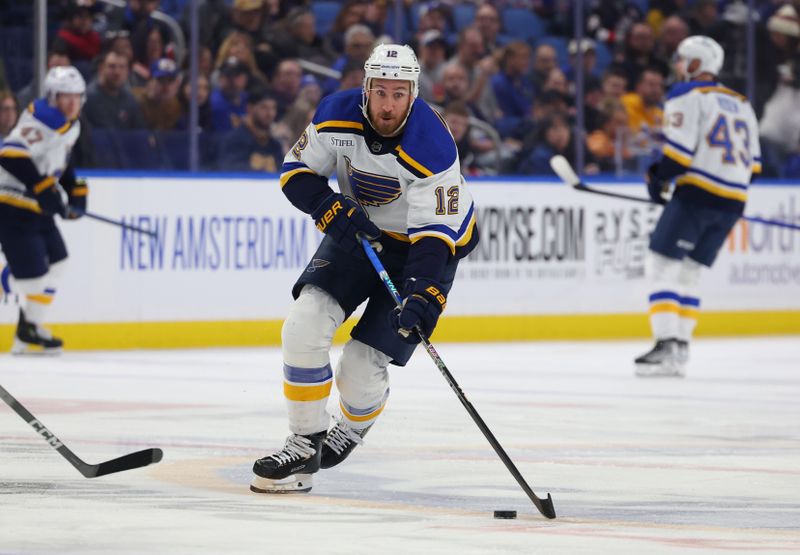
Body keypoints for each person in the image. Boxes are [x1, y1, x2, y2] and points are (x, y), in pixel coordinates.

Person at [250, 43, 479, 493]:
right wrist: (327, 206)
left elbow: (434, 237)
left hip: (424, 248)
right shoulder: (335, 115)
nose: (388, 104)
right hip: (360, 232)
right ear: (365, 89)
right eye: (381, 92)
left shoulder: (432, 144)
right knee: (303, 325)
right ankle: (304, 442)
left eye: (399, 94)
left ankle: (353, 426)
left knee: (359, 366)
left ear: (412, 94)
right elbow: (295, 171)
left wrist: (423, 293)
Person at [634, 36, 761, 377]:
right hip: (735, 200)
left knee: (660, 264)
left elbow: (677, 155)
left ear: (695, 64)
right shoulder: (743, 103)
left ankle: (665, 346)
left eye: (682, 59)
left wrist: (657, 178)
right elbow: (755, 167)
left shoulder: (686, 96)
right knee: (690, 271)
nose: (678, 66)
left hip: (697, 195)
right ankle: (681, 349)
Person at [0, 66, 89, 354]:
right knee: (32, 281)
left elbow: (59, 155)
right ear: (53, 97)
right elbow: (10, 155)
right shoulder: (41, 119)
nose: (72, 103)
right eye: (65, 97)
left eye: (76, 97)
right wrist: (40, 186)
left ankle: (29, 330)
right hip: (12, 206)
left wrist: (74, 187)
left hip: (36, 209)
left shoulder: (68, 121)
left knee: (58, 262)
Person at [218, 87, 282, 171]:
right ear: (250, 108)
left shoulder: (275, 145)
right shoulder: (233, 141)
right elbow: (227, 171)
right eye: (264, 107)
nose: (270, 113)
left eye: (273, 108)